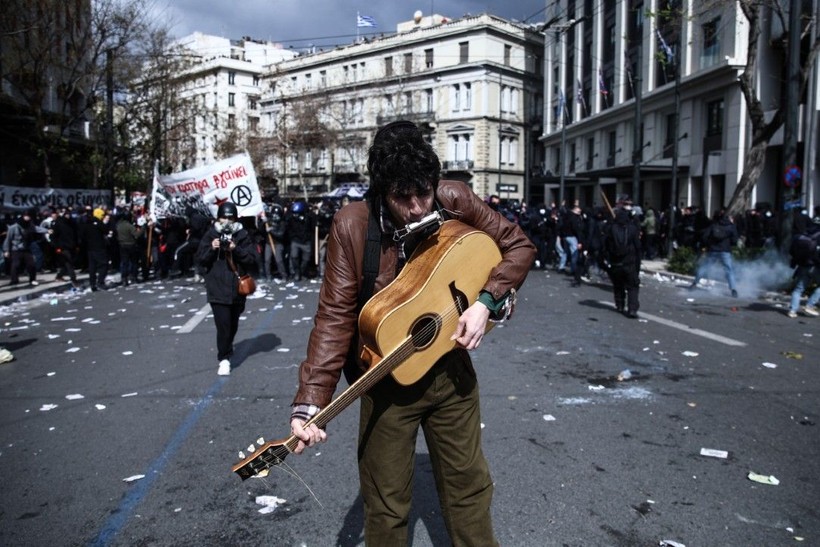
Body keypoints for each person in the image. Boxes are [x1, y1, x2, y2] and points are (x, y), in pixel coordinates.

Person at [289, 120, 535, 545]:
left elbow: (519, 245)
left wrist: (487, 302)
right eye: (403, 198)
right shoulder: (353, 225)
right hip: (386, 380)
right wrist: (311, 401)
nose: (419, 207)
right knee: (386, 504)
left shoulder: (452, 197)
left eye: (424, 192)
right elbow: (334, 316)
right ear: (382, 190)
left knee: (469, 489)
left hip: (451, 370)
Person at [194, 202, 257, 376]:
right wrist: (211, 248)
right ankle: (224, 357)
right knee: (223, 325)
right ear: (218, 218)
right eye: (224, 217)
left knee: (233, 324)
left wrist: (235, 249)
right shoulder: (211, 234)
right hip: (217, 289)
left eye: (230, 217)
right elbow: (200, 260)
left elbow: (252, 259)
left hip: (237, 289)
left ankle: (227, 346)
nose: (227, 221)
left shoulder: (242, 235)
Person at [689, 208, 739, 297]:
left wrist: (709, 244)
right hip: (725, 250)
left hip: (713, 250)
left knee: (704, 267)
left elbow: (705, 237)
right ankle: (733, 289)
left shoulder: (714, 225)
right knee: (729, 270)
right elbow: (734, 240)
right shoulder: (731, 227)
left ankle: (694, 284)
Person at [604, 207, 642, 317]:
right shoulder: (632, 229)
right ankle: (632, 309)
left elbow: (605, 245)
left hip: (615, 262)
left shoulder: (611, 229)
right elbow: (638, 247)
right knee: (632, 286)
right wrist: (638, 263)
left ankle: (620, 305)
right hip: (629, 262)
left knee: (618, 285)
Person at [786, 217, 820, 318]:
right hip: (817, 267)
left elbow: (792, 251)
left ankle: (792, 311)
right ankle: (810, 305)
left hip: (803, 265)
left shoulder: (803, 234)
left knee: (798, 289)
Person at [3, 209, 47, 286]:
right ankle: (14, 280)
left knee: (31, 264)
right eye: (26, 216)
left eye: (29, 216)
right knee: (15, 265)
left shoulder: (29, 225)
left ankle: (32, 279)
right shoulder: (13, 227)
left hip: (26, 248)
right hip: (16, 249)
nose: (27, 218)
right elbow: (8, 239)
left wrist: (46, 230)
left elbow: (37, 229)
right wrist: (6, 250)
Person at [79, 208, 112, 291]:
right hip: (99, 247)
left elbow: (83, 235)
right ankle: (100, 282)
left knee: (92, 267)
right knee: (104, 264)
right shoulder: (99, 223)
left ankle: (92, 284)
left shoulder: (87, 223)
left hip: (90, 248)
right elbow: (106, 230)